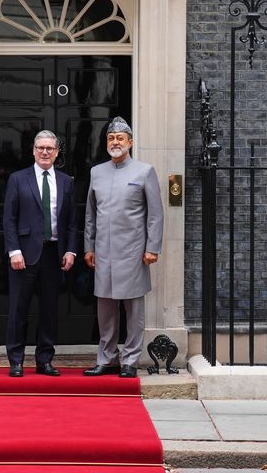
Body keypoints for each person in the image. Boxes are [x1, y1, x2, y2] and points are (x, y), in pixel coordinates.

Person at [83, 117, 164, 378]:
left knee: (133, 310)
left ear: (130, 142)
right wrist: (89, 246)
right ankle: (107, 358)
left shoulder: (144, 171)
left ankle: (130, 360)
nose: (115, 142)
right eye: (111, 138)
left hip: (133, 252)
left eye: (120, 138)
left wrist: (153, 247)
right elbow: (90, 214)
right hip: (103, 252)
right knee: (105, 308)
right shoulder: (97, 172)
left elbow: (155, 214)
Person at [2, 130, 77, 377]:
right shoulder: (18, 179)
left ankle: (44, 360)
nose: (45, 152)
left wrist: (71, 250)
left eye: (50, 148)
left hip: (53, 254)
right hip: (23, 254)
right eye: (41, 148)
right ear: (33, 150)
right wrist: (13, 251)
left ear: (56, 152)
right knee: (18, 309)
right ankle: (15, 360)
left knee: (49, 310)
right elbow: (9, 219)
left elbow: (72, 222)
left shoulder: (66, 182)